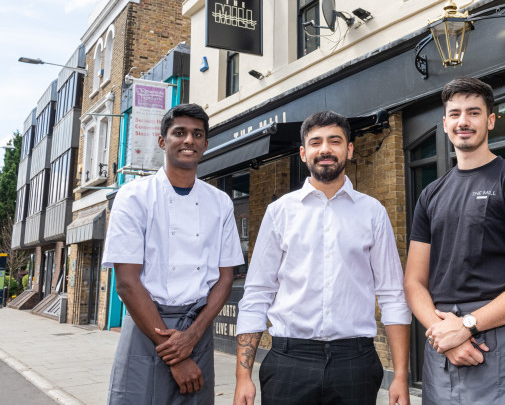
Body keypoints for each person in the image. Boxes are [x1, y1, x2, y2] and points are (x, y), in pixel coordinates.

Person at [233, 111, 411, 405]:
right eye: (315, 142)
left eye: (335, 141)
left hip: (355, 362)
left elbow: (393, 295)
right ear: (303, 153)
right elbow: (257, 294)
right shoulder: (280, 212)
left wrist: (401, 376)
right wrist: (243, 377)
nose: (325, 149)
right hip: (289, 361)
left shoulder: (373, 212)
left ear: (349, 150)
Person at [404, 77, 505, 404]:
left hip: (497, 341)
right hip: (443, 343)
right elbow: (414, 283)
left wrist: (468, 326)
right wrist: (445, 334)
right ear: (445, 123)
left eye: (474, 113)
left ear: (490, 120)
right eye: (455, 114)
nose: (463, 121)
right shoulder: (430, 195)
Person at [103, 103, 244, 404]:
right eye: (179, 132)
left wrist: (193, 335)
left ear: (206, 144)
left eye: (197, 134)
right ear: (162, 140)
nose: (188, 140)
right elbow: (127, 282)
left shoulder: (220, 203)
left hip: (198, 327)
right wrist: (177, 357)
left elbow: (226, 277)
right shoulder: (133, 197)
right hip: (146, 327)